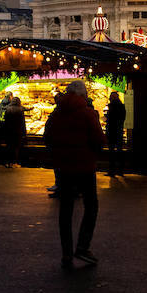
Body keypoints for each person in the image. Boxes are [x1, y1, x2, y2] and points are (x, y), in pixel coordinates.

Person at [44, 80, 104, 268]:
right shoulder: (88, 114)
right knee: (91, 206)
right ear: (83, 95)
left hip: (63, 168)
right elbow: (98, 139)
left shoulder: (55, 115)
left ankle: (67, 253)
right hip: (85, 167)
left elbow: (47, 138)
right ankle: (83, 247)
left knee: (66, 210)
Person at [105, 91, 127, 176]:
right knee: (119, 151)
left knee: (112, 152)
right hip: (118, 131)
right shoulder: (121, 106)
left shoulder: (113, 107)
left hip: (113, 131)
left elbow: (111, 119)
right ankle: (120, 170)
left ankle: (112, 170)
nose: (110, 98)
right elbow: (122, 118)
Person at [1, 95, 27, 168]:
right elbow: (22, 122)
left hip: (8, 131)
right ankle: (14, 162)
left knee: (9, 147)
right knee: (16, 147)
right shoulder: (20, 109)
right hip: (17, 131)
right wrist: (24, 132)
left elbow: (5, 121)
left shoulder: (8, 109)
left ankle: (8, 162)